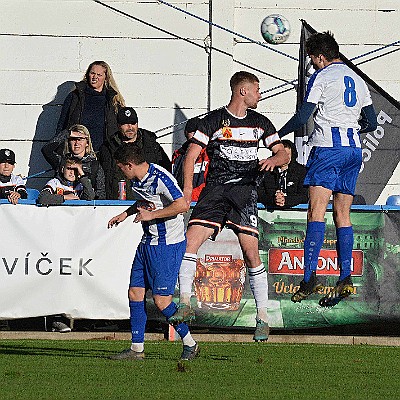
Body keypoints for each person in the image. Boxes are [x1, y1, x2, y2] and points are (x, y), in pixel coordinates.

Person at [169, 71, 289, 342]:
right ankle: (185, 303)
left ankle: (262, 318)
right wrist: (188, 191)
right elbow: (191, 157)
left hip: (244, 193)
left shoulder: (261, 123)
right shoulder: (213, 120)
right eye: (257, 89)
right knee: (190, 242)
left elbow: (282, 152)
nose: (260, 95)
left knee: (251, 253)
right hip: (215, 191)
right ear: (242, 91)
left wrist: (275, 159)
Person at [277, 32, 377, 307]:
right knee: (343, 215)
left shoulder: (321, 77)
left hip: (328, 149)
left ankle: (310, 277)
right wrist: (352, 129)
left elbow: (302, 116)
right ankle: (345, 277)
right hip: (353, 150)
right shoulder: (357, 78)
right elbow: (370, 121)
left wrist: (276, 134)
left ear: (319, 57)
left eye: (312, 59)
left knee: (315, 212)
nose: (313, 64)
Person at [107, 143, 199, 361]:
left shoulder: (161, 178)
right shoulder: (138, 179)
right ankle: (137, 349)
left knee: (162, 301)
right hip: (147, 242)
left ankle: (191, 344)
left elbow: (183, 205)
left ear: (130, 165)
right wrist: (126, 213)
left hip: (167, 246)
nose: (122, 172)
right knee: (135, 293)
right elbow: (146, 201)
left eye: (122, 168)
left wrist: (152, 215)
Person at [99, 106, 171, 199]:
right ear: (118, 125)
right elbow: (101, 178)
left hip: (148, 201)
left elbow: (166, 172)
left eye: (133, 123)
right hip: (116, 203)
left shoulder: (151, 145)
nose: (130, 127)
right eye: (125, 124)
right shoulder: (107, 148)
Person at [56, 60, 125, 152]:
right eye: (92, 73)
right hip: (78, 153)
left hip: (105, 153)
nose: (95, 77)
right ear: (88, 74)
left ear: (106, 78)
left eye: (99, 75)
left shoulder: (114, 100)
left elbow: (122, 128)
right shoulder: (75, 97)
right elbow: (62, 125)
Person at [42, 124, 106, 199]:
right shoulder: (62, 161)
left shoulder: (94, 165)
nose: (76, 143)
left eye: (80, 139)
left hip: (86, 207)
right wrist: (68, 133)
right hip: (61, 205)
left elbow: (101, 193)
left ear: (87, 143)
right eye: (73, 139)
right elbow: (46, 150)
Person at [257, 139, 308, 208]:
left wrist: (286, 200)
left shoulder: (301, 171)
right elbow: (260, 193)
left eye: (287, 155)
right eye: (281, 155)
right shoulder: (266, 171)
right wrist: (274, 199)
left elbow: (304, 195)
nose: (284, 158)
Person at [172, 117, 209, 202]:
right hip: (179, 203)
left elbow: (207, 185)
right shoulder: (177, 155)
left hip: (200, 204)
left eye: (198, 132)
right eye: (193, 132)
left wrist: (187, 197)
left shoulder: (209, 154)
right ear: (186, 133)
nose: (196, 135)